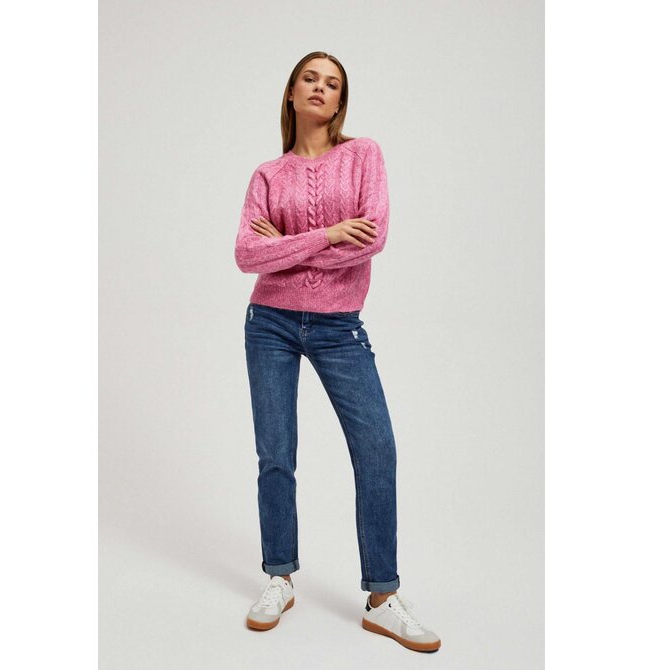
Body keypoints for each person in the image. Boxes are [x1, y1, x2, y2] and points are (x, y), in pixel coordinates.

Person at [234, 51, 441, 653]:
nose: (320, 88)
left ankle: (382, 597)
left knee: (376, 450)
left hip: (338, 326)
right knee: (276, 454)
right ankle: (279, 579)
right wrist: (326, 234)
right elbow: (246, 255)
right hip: (268, 322)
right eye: (310, 79)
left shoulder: (363, 156)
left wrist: (287, 244)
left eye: (332, 83)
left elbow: (370, 239)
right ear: (292, 92)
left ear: (340, 100)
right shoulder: (267, 175)